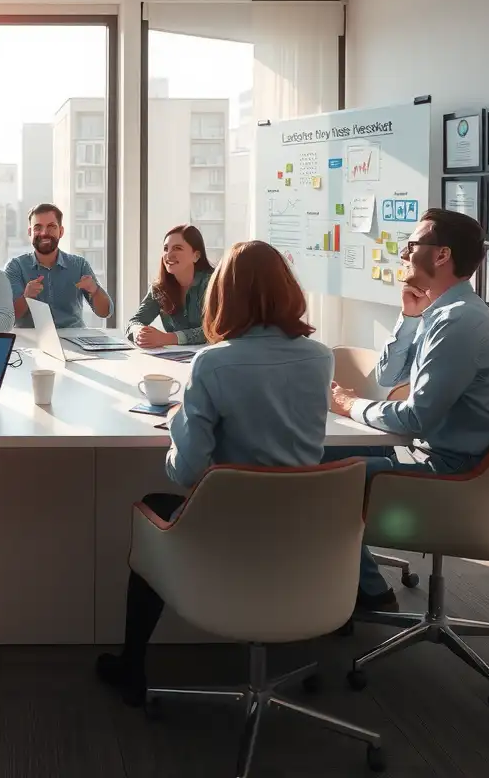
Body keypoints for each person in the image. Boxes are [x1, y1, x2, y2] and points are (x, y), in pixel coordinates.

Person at [97, 240, 333, 704]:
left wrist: (178, 419)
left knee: (154, 509)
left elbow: (184, 473)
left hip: (230, 528)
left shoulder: (214, 362)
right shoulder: (320, 357)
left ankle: (131, 668)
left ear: (224, 295)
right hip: (304, 528)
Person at [328, 208, 489, 611]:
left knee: (327, 478)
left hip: (454, 473)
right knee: (324, 453)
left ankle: (368, 593)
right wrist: (409, 316)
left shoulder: (459, 323)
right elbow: (387, 375)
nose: (403, 253)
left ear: (442, 255)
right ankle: (343, 577)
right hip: (438, 453)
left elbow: (415, 418)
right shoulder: (440, 314)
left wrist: (348, 405)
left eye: (412, 245)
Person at [5, 203, 113, 328]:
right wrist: (26, 297)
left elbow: (106, 312)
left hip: (74, 338)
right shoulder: (15, 267)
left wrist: (95, 290)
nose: (44, 233)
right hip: (31, 340)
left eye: (51, 227)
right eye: (38, 228)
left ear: (61, 231)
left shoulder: (79, 265)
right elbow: (7, 318)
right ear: (30, 232)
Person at [126, 225, 213, 348]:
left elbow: (213, 329)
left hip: (213, 358)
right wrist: (139, 333)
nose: (169, 255)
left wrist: (167, 338)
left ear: (196, 256)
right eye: (166, 249)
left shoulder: (213, 283)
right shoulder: (159, 288)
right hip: (176, 360)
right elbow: (134, 321)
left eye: (177, 248)